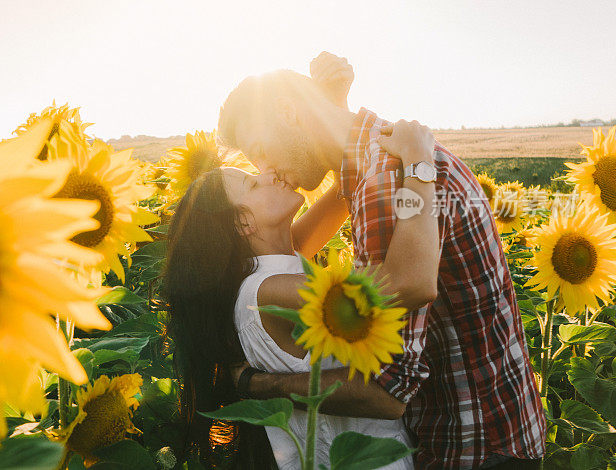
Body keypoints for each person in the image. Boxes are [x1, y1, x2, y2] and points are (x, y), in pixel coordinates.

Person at [216, 53, 546, 469]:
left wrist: (257, 384)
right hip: (499, 428)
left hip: (469, 446)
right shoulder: (380, 160)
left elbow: (388, 384)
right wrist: (330, 107)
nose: (265, 169)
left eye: (260, 151)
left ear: (287, 111)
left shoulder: (386, 177)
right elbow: (289, 248)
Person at [164, 116, 437, 468]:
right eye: (251, 183)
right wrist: (419, 165)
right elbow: (412, 280)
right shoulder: (270, 291)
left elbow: (343, 188)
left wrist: (331, 108)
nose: (267, 173)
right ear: (242, 223)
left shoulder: (279, 261)